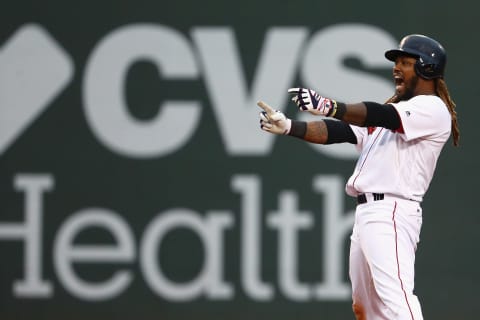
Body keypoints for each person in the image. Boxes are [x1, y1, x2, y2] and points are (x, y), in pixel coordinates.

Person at [258, 34, 459, 319]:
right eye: (396, 62)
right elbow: (339, 132)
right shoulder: (398, 111)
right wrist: (291, 126)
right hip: (368, 213)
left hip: (392, 211)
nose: (396, 68)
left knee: (397, 302)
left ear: (427, 68)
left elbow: (379, 115)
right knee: (365, 308)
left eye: (405, 62)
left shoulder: (433, 109)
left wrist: (330, 105)